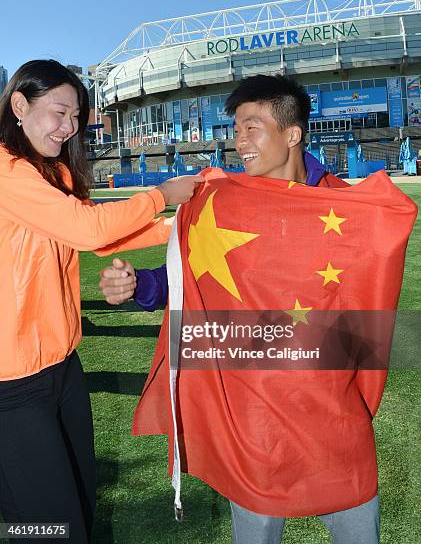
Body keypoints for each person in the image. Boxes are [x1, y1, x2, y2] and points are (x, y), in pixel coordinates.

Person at [99, 75, 417, 544]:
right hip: (252, 418)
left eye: (252, 127)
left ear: (293, 133)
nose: (238, 141)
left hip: (330, 407)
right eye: (236, 128)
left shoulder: (342, 208)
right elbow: (194, 278)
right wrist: (139, 286)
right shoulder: (220, 200)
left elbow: (372, 291)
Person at [0, 59, 203, 543]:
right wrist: (162, 196)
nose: (70, 127)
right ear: (20, 106)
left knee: (73, 503)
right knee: (54, 524)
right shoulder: (7, 171)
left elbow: (102, 237)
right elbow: (90, 230)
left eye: (77, 117)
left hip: (60, 366)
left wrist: (188, 225)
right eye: (60, 112)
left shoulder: (48, 174)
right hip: (11, 383)